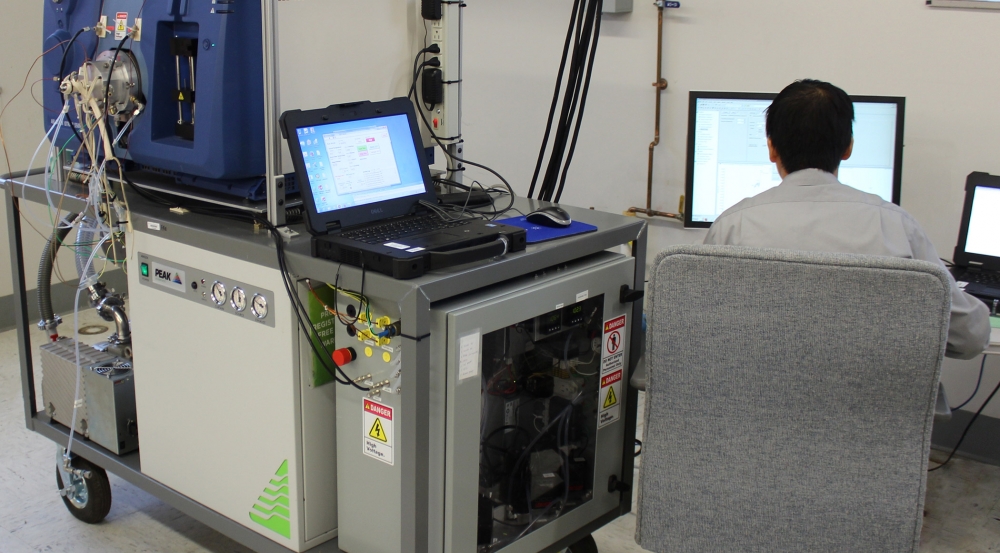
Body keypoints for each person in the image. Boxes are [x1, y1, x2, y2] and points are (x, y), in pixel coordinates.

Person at [703, 79, 991, 359]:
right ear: (848, 148)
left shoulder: (731, 227)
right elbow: (969, 337)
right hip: (881, 406)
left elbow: (697, 328)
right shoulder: (896, 226)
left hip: (758, 403)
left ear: (771, 148)